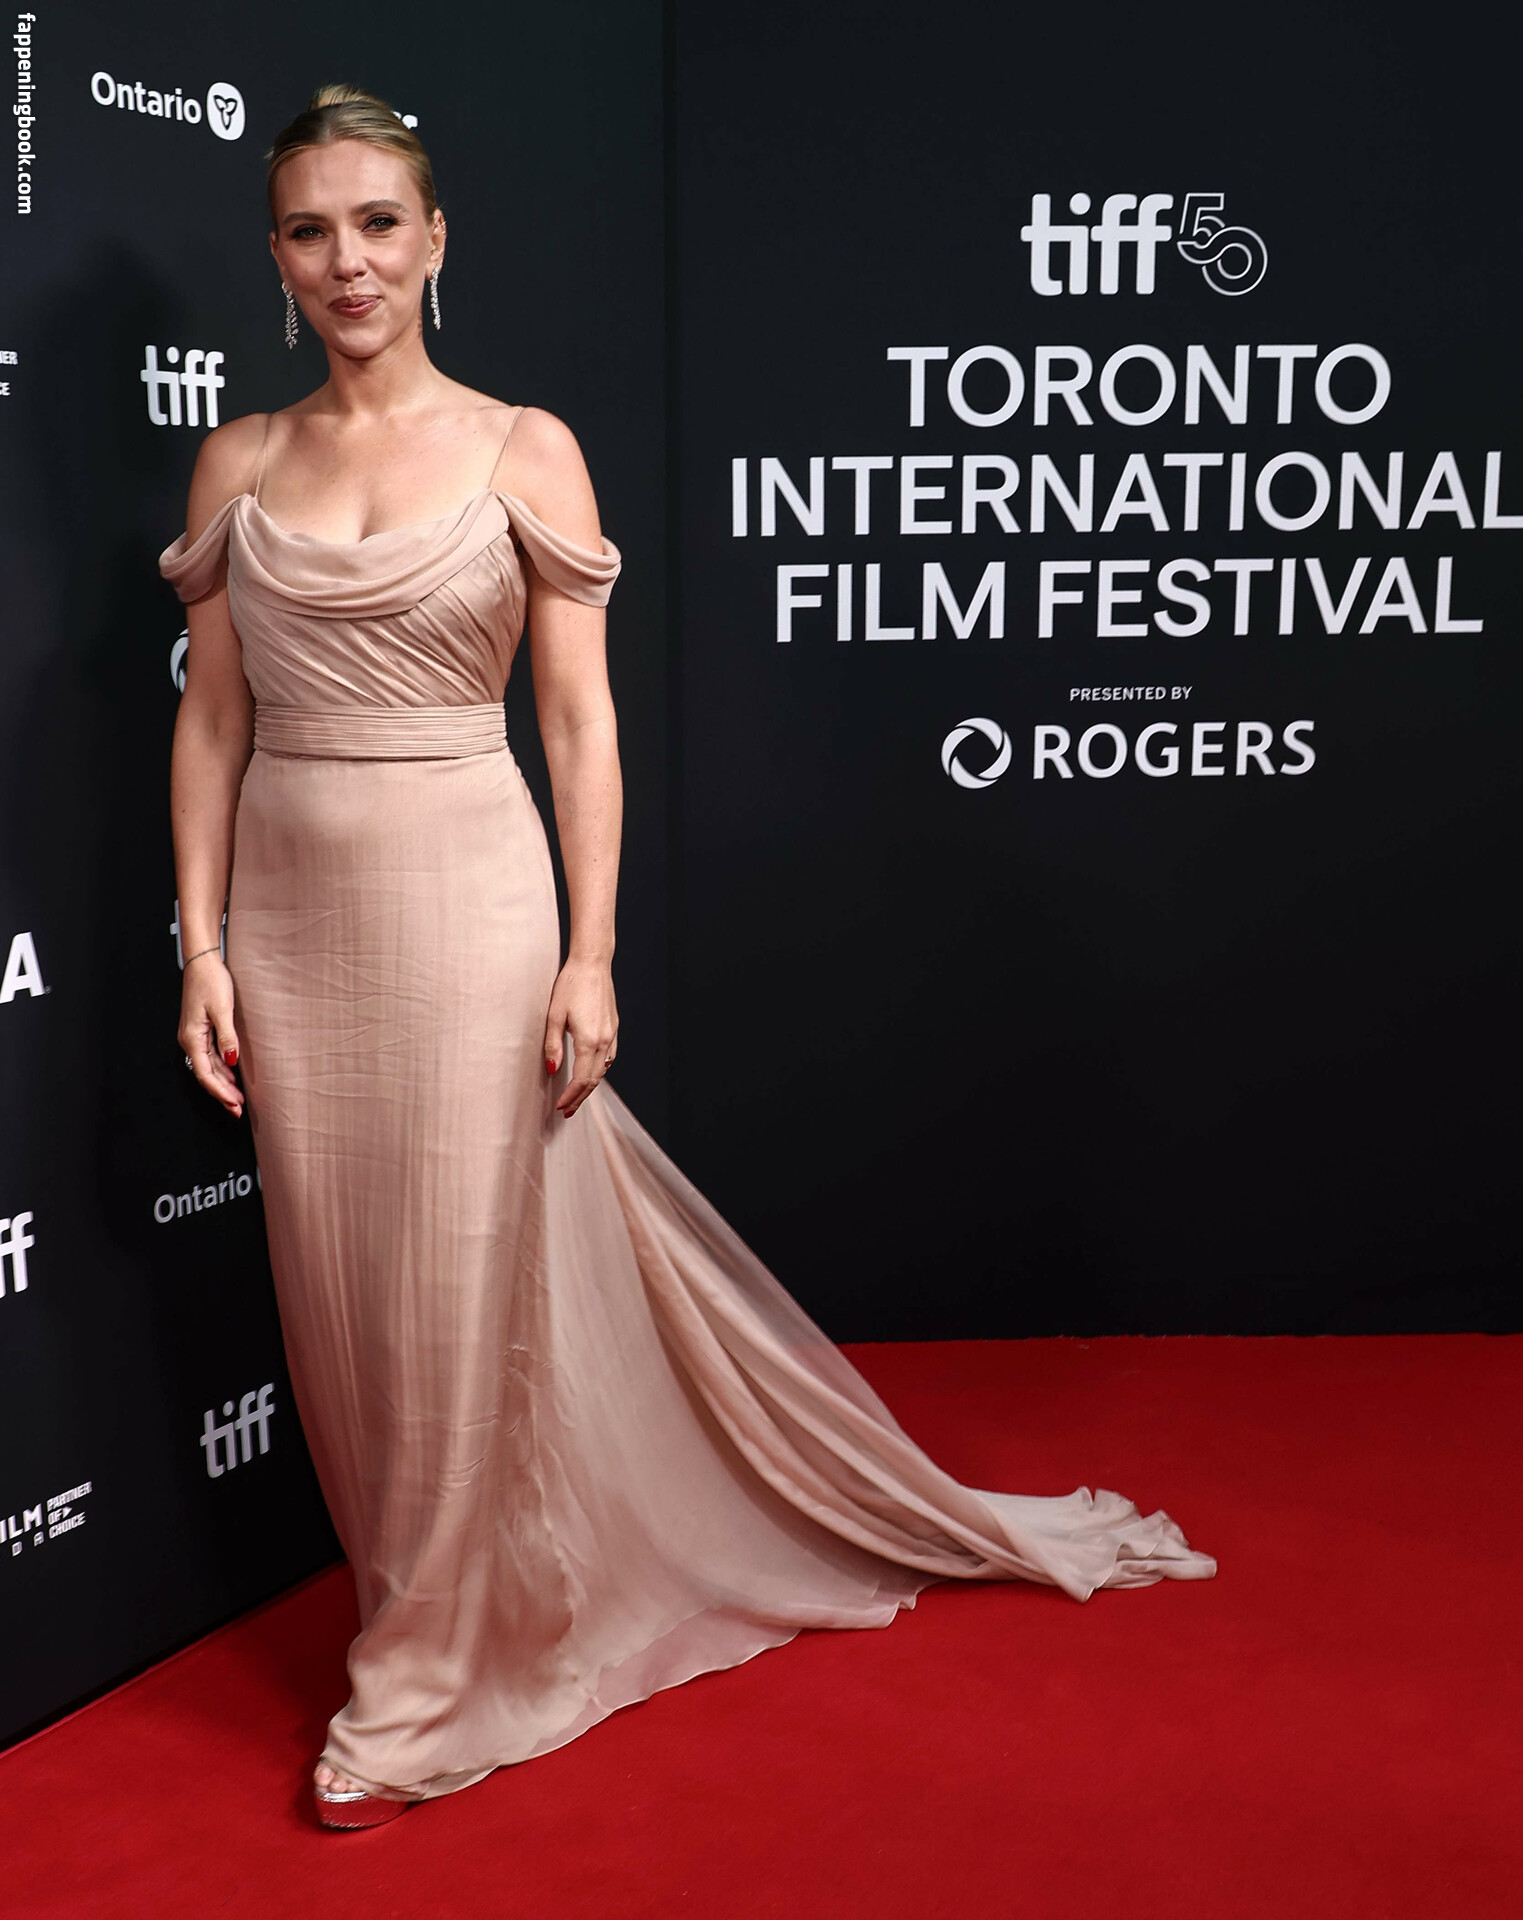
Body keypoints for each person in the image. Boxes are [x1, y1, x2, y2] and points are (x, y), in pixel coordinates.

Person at [162, 85, 1215, 1832]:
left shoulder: (525, 449)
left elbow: (578, 726)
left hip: (470, 895)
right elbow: (211, 723)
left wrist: (592, 954)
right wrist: (200, 946)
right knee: (342, 1301)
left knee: (455, 1283)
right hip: (289, 920)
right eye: (309, 230)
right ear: (274, 257)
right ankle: (434, 1597)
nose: (348, 262)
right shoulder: (240, 461)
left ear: (436, 240)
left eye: (378, 224)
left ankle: (420, 1677)